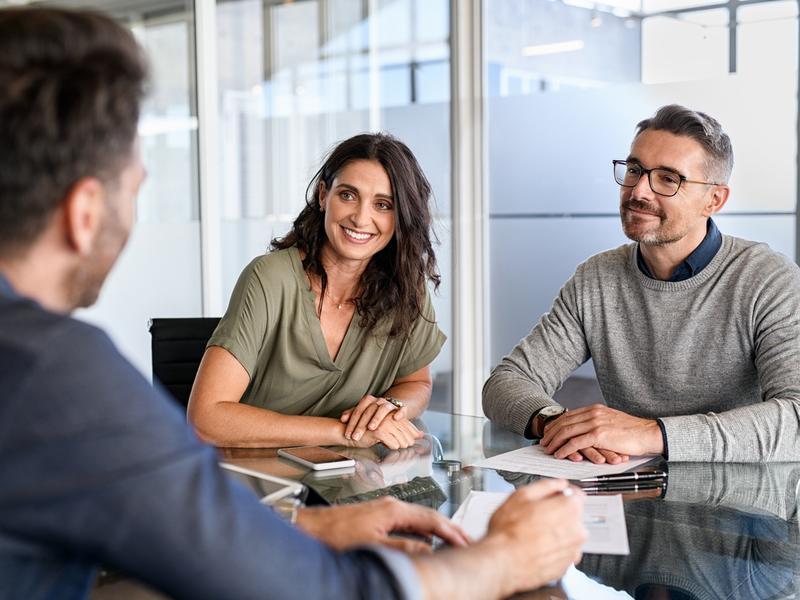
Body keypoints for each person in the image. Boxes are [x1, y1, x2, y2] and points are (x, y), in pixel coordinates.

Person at [0, 7, 587, 600]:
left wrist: (314, 520)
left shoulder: (38, 373)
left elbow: (183, 531)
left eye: (383, 205)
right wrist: (504, 556)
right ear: (84, 213)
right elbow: (311, 586)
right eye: (136, 187)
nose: (362, 216)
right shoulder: (55, 377)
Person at [483, 104, 800, 464]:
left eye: (668, 178)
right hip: (626, 501)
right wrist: (557, 423)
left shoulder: (767, 279)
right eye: (635, 170)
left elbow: (795, 419)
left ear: (713, 200)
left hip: (742, 508)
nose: (639, 191)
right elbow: (506, 382)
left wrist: (652, 433)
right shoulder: (596, 279)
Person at [188, 133, 445, 449]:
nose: (361, 218)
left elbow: (416, 382)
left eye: (383, 204)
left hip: (349, 483)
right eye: (348, 195)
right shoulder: (269, 278)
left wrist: (390, 407)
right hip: (256, 482)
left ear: (401, 215)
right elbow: (206, 419)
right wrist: (343, 434)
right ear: (324, 195)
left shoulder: (406, 287)